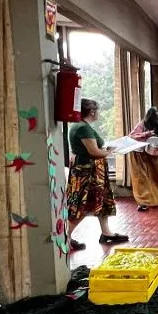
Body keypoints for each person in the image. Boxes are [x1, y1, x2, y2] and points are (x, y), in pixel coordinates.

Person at [66, 98, 129, 250]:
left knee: (102, 200)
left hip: (91, 170)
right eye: (97, 110)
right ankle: (65, 236)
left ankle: (106, 233)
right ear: (92, 112)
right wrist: (110, 151)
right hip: (88, 172)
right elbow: (94, 152)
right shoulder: (83, 128)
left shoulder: (79, 125)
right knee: (84, 204)